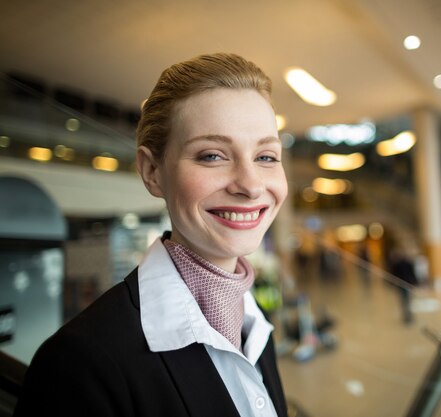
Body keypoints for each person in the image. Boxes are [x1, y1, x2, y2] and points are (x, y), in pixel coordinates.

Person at [14, 53, 289, 417]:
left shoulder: (251, 325)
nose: (251, 185)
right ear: (152, 172)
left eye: (266, 157)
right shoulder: (81, 362)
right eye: (211, 155)